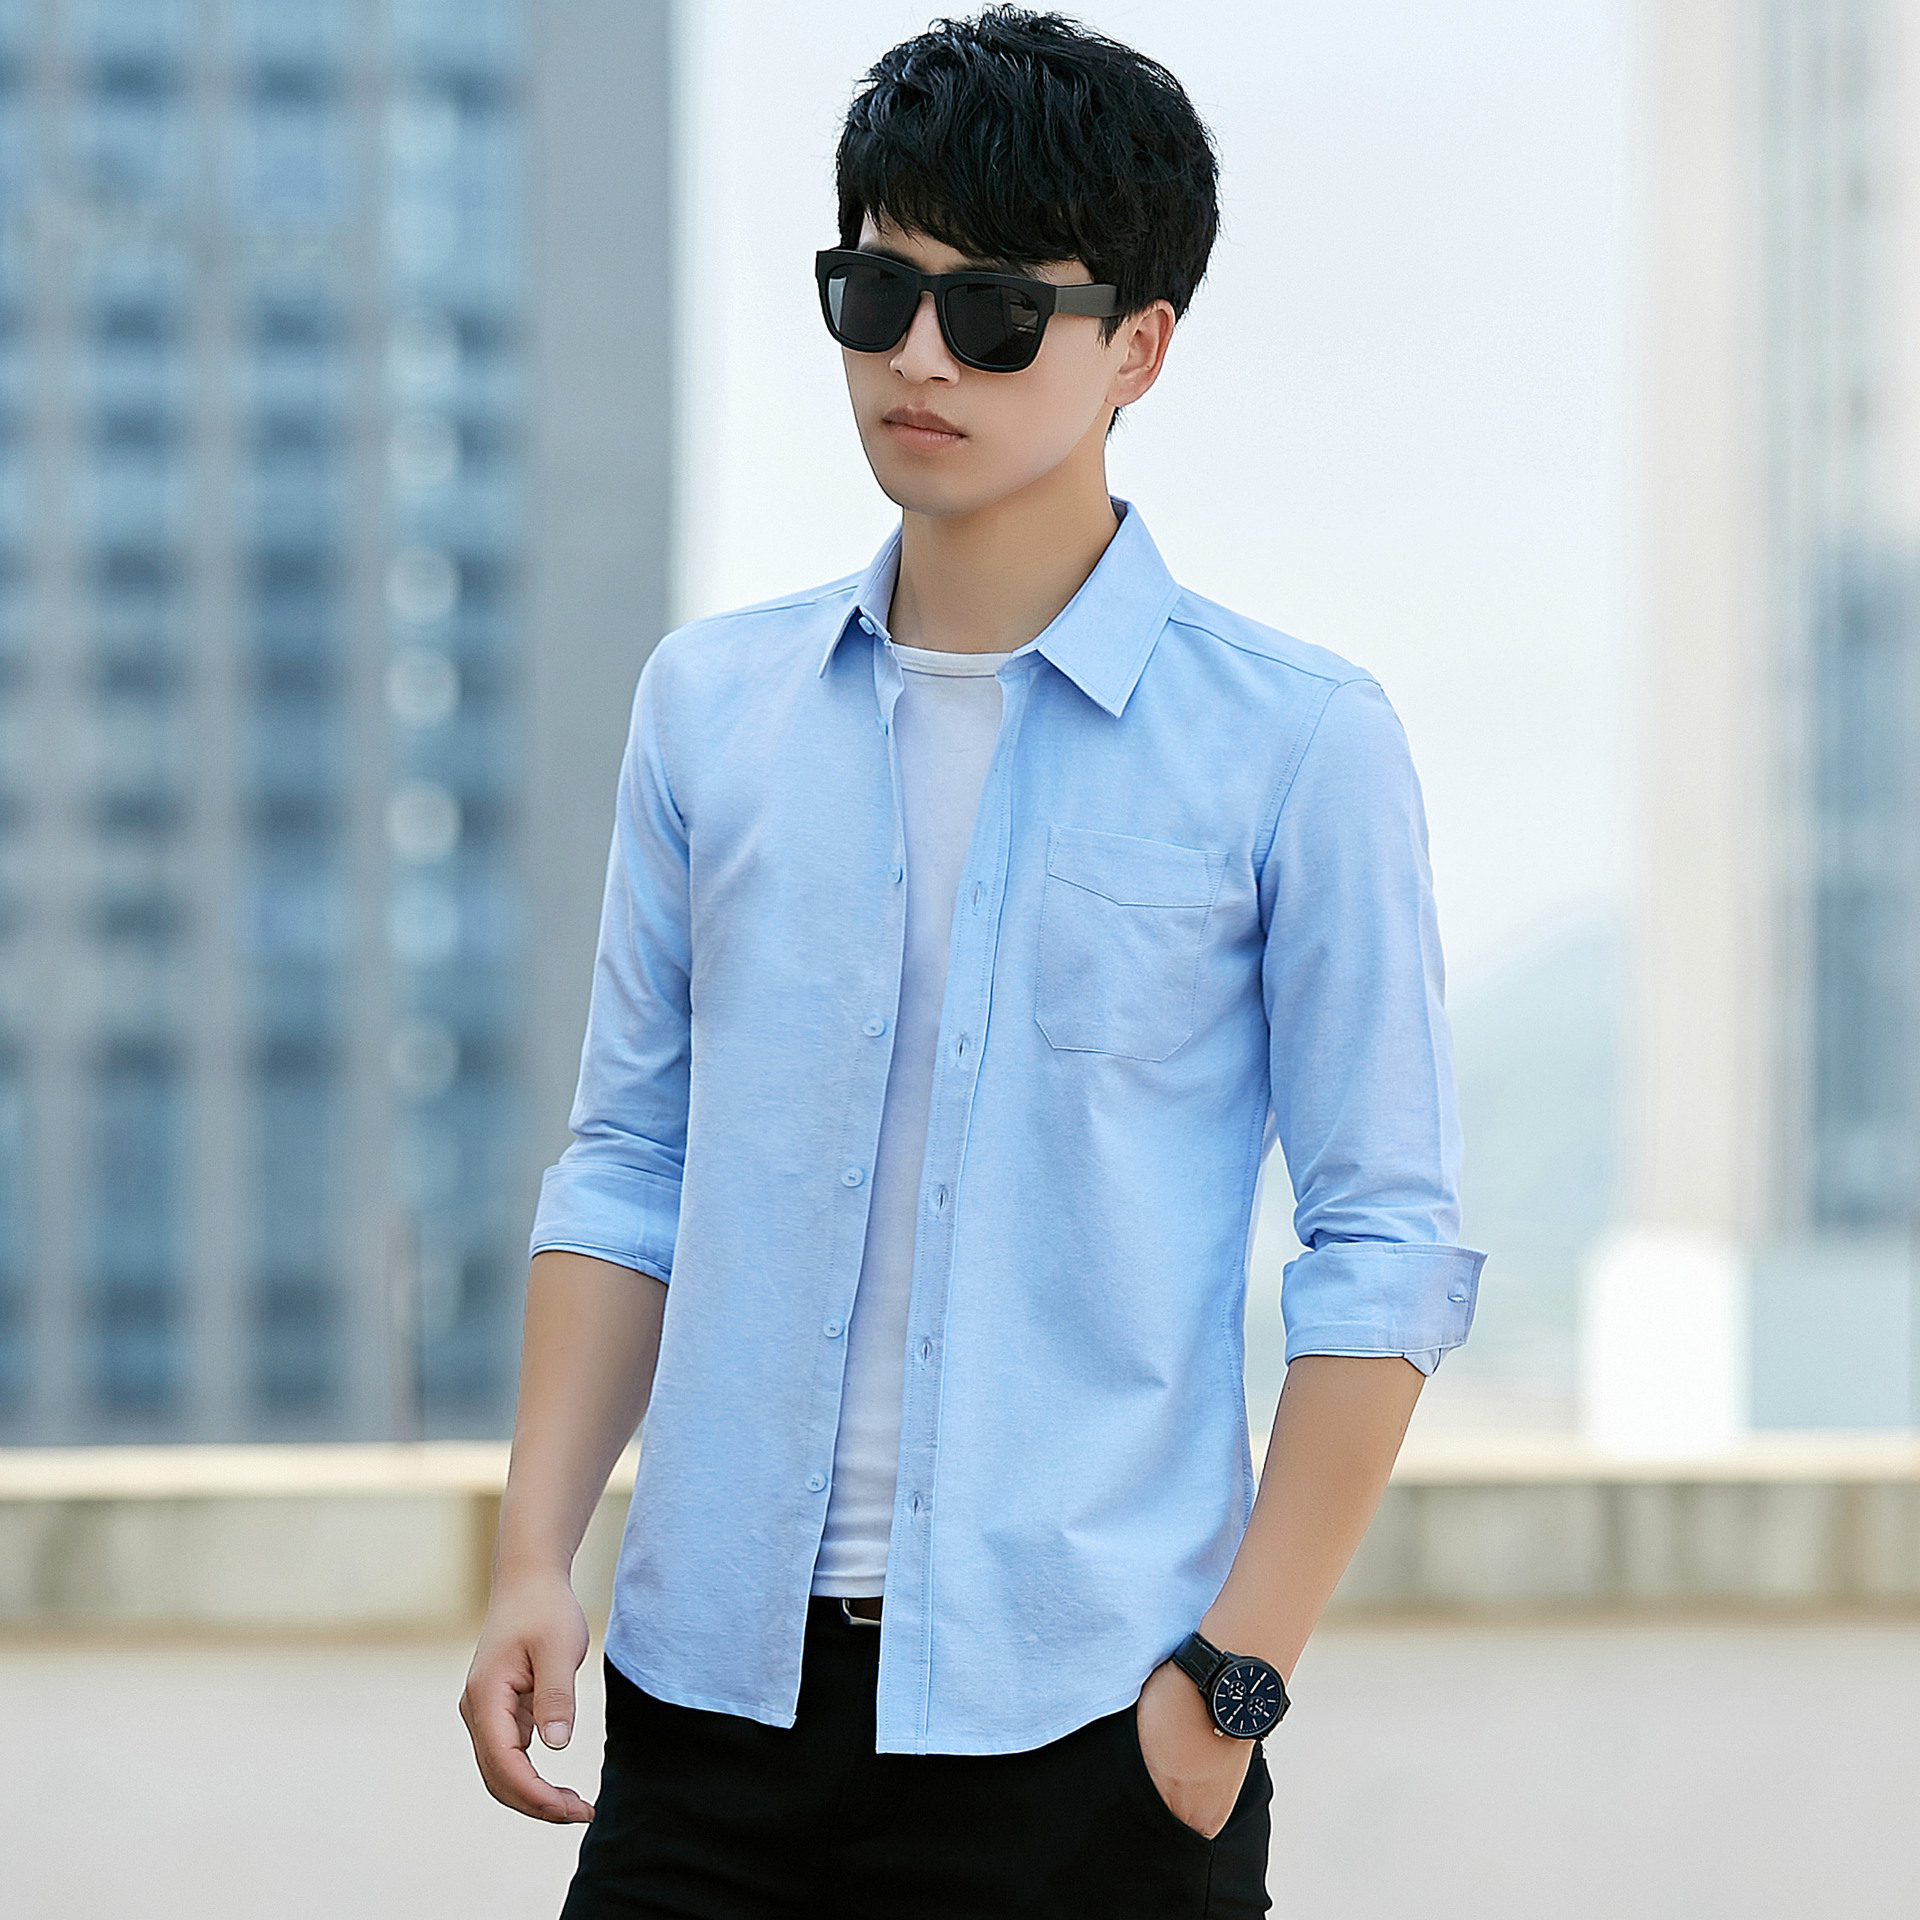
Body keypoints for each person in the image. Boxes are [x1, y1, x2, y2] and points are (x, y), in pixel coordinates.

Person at [459, 9, 1483, 1916]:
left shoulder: (1295, 744)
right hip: (706, 1720)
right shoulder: (711, 709)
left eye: (998, 311)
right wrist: (535, 1553)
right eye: (878, 293)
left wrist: (1230, 1687)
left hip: (1090, 1740)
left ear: (1138, 349)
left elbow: (1387, 1245)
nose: (921, 356)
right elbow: (627, 1164)